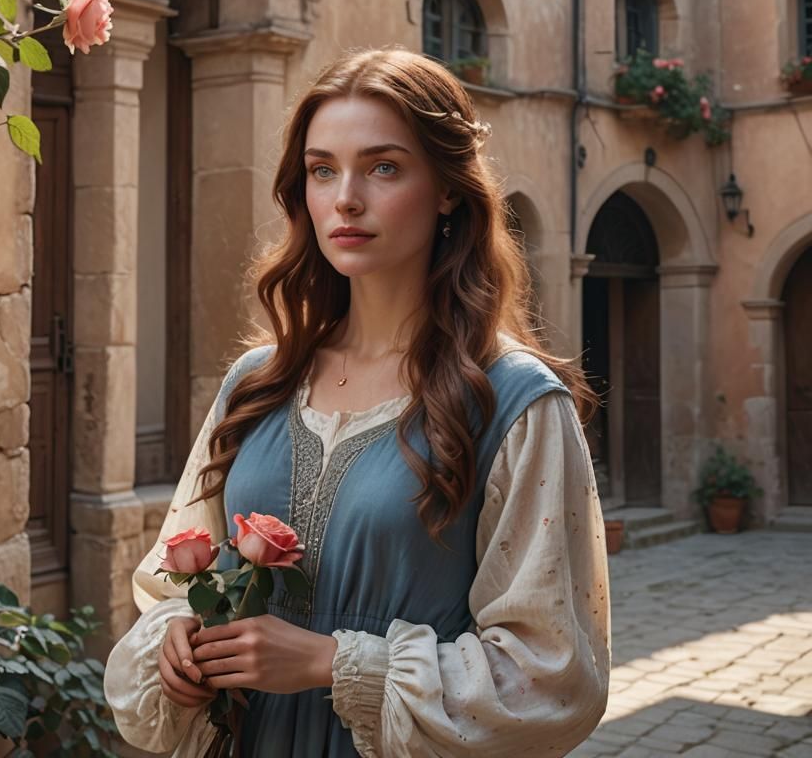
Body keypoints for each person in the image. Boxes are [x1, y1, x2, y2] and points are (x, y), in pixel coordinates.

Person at [103, 48, 611, 757]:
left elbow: (552, 677)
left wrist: (329, 664)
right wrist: (180, 646)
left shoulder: (516, 402)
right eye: (321, 170)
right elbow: (170, 584)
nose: (345, 198)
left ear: (447, 191)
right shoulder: (257, 383)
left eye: (383, 167)